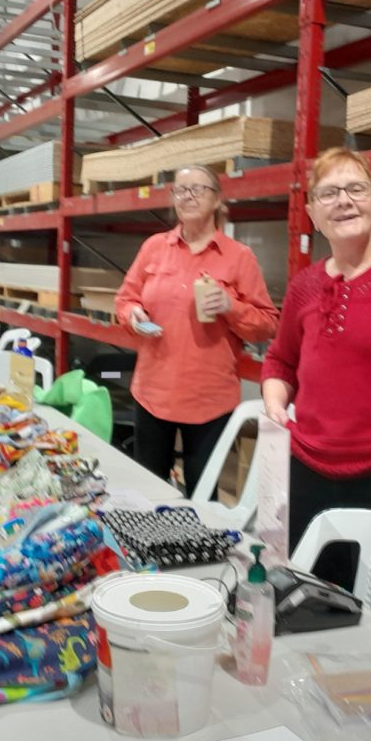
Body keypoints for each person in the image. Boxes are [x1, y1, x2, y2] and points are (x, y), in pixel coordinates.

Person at [261, 147, 371, 588]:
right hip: (306, 470)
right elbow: (281, 359)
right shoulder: (304, 285)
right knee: (306, 600)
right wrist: (275, 404)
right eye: (329, 193)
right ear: (312, 213)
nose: (343, 201)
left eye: (356, 189)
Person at [115, 164, 278, 496]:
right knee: (149, 489)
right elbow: (125, 297)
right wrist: (133, 314)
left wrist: (230, 306)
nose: (187, 196)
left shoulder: (238, 257)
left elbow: (267, 325)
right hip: (153, 392)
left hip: (208, 399)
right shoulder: (154, 247)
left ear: (217, 199)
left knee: (202, 496)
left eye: (197, 189)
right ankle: (150, 546)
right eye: (180, 190)